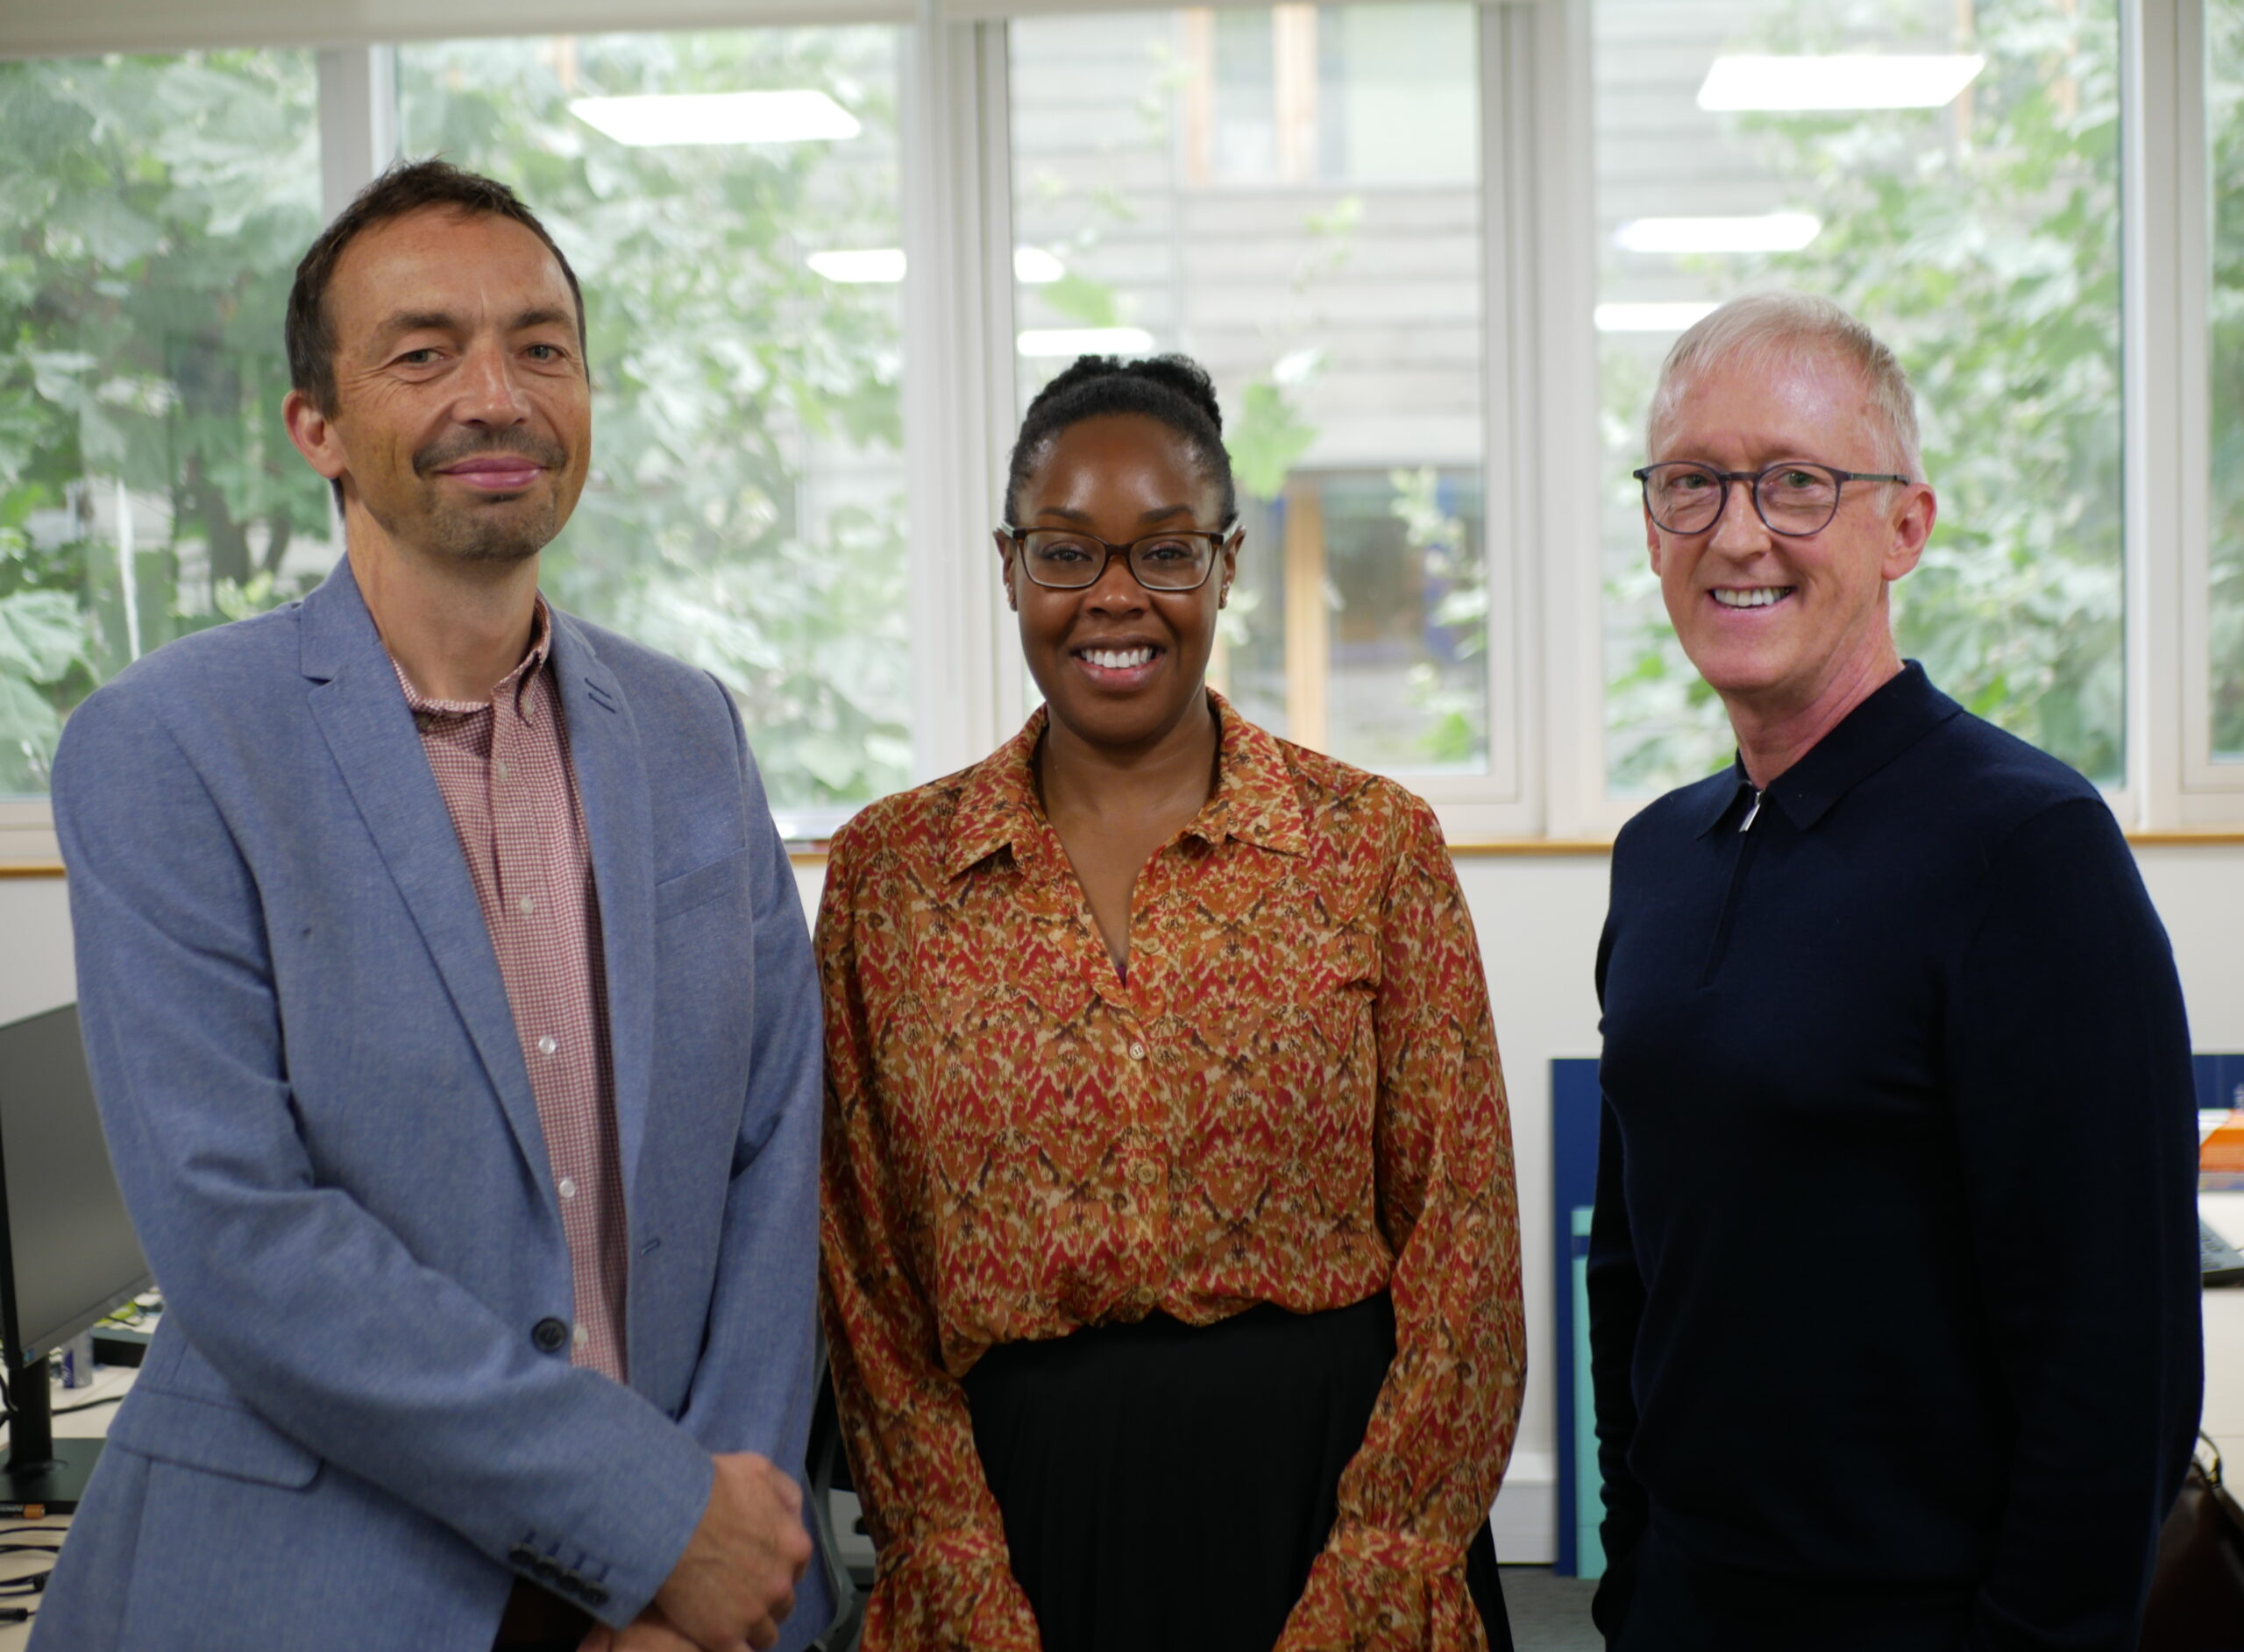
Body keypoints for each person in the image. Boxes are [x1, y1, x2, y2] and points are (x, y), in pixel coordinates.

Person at [38, 160, 828, 1652]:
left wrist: (726, 1565)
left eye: (541, 347)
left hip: (691, 1597)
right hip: (310, 1592)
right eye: (423, 352)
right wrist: (650, 1515)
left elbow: (776, 1160)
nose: (497, 396)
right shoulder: (169, 746)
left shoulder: (690, 729)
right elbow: (241, 1234)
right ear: (316, 427)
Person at [816, 353, 1524, 1652]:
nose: (1116, 597)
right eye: (1066, 552)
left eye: (1166, 551)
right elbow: (863, 1272)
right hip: (1020, 1523)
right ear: (1009, 566)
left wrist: (1380, 1568)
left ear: (1228, 564)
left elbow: (1462, 1243)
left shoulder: (1371, 848)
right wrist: (957, 1567)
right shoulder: (891, 876)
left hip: (1334, 1506)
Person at [1590, 293, 2203, 1652]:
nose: (1736, 532)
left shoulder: (2028, 852)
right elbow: (1633, 1275)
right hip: (1686, 1611)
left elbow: (2120, 1371)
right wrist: (1634, 1582)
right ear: (1652, 524)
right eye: (1692, 483)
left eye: (1796, 482)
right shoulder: (1659, 859)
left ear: (1905, 528)